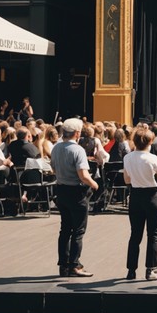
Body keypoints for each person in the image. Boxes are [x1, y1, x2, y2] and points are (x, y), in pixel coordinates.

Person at [49, 118, 99, 277]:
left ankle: (63, 264)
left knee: (65, 230)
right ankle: (75, 265)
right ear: (77, 133)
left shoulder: (56, 148)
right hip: (76, 193)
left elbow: (53, 168)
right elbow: (83, 174)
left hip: (62, 190)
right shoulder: (78, 150)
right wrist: (94, 184)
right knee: (78, 230)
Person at [123, 127, 157, 281]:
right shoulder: (153, 158)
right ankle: (151, 270)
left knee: (135, 234)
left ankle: (131, 270)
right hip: (151, 195)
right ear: (150, 141)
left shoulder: (128, 158)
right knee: (153, 234)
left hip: (135, 196)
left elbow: (127, 180)